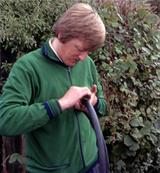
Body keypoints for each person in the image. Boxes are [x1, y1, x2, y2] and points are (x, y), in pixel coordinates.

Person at [0, 3, 108, 173]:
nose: (83, 57)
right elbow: (5, 120)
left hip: (93, 163)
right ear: (61, 34)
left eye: (89, 51)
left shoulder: (87, 64)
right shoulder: (28, 67)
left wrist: (92, 104)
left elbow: (103, 107)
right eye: (79, 49)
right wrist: (60, 104)